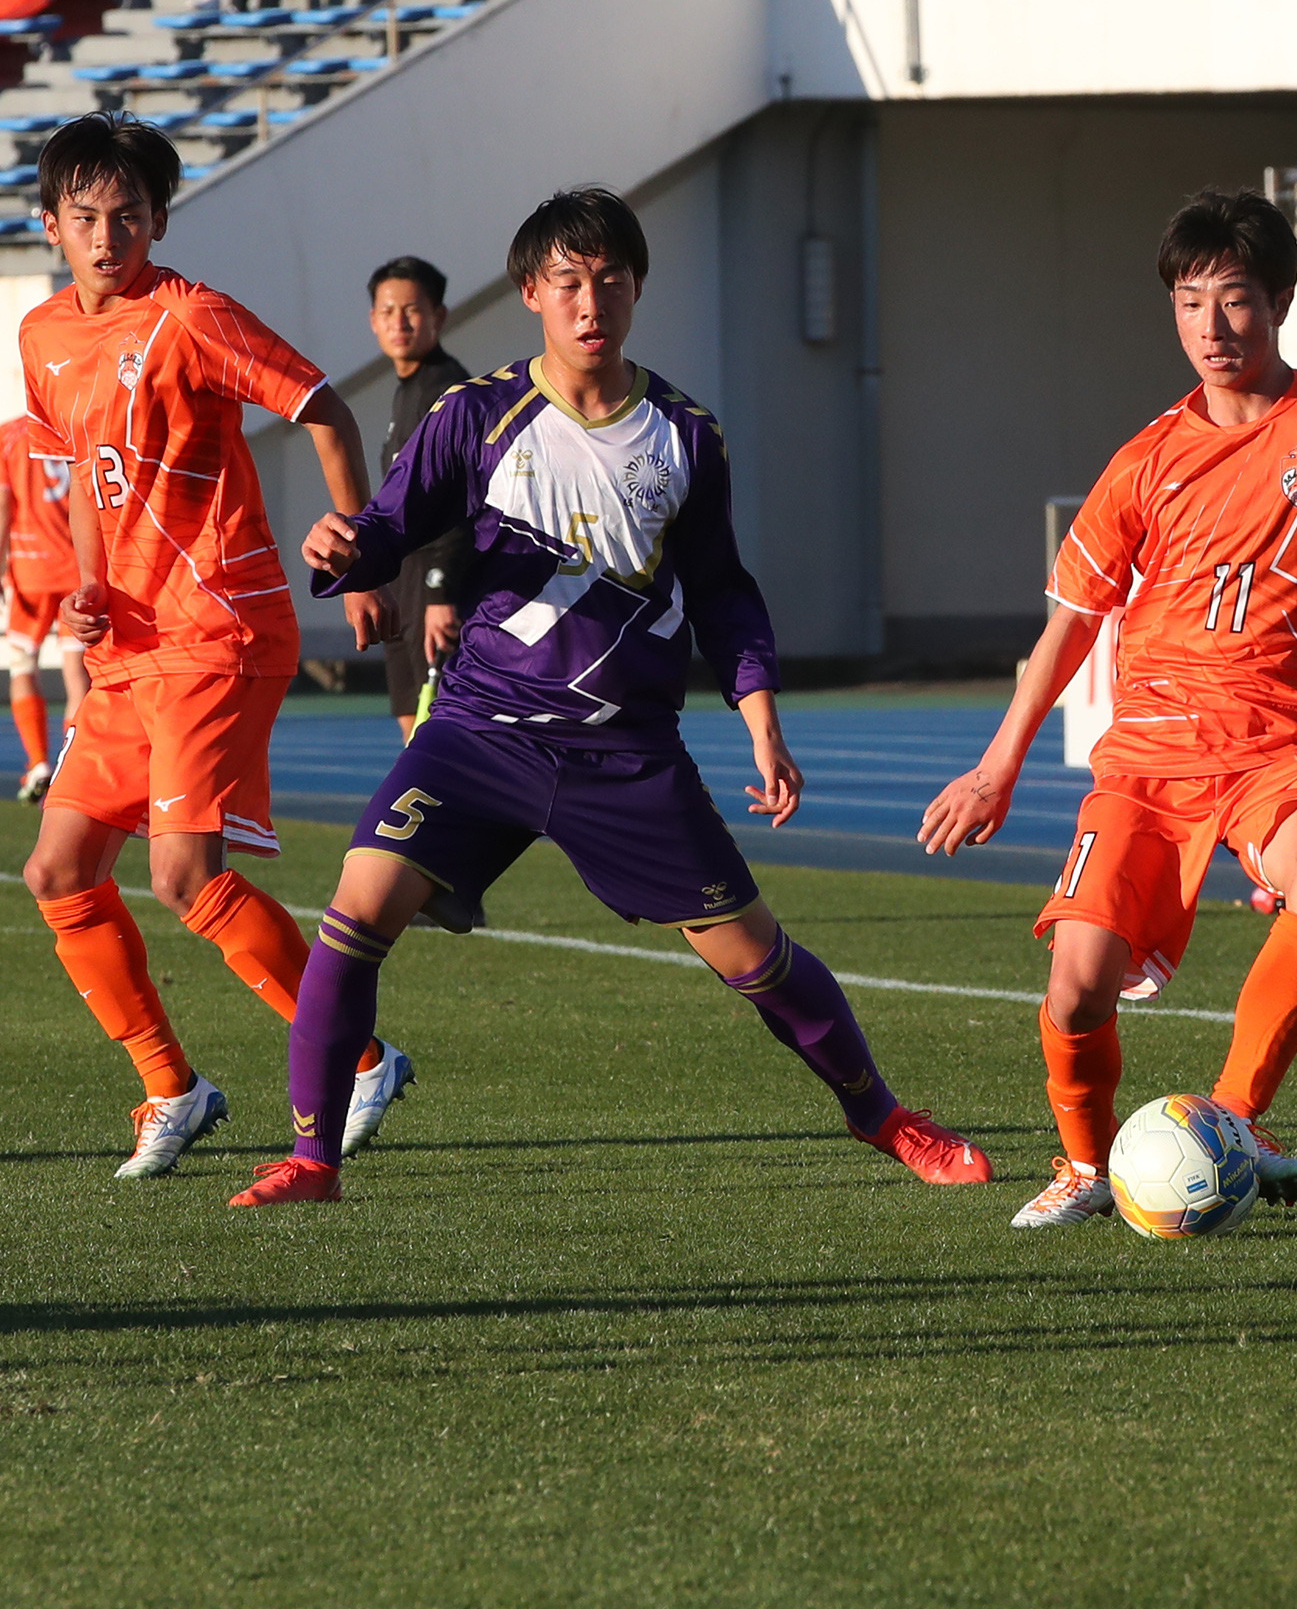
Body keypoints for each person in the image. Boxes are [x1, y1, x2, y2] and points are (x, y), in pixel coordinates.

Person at [234, 187, 993, 1206]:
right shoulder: (476, 415)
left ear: (636, 289)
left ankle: (883, 1117)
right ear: (531, 294)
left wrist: (760, 713)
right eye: (568, 283)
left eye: (610, 281)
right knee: (354, 912)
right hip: (477, 731)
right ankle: (314, 1161)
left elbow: (723, 590)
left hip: (624, 752)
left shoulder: (686, 436)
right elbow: (389, 522)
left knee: (756, 961)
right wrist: (345, 549)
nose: (590, 302)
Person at [918, 188, 1297, 1231]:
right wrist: (996, 765)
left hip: (1286, 746)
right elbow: (1066, 627)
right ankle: (1084, 1166)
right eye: (1189, 303)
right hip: (1150, 757)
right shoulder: (1143, 462)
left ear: (1279, 300)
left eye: (1233, 300)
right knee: (1073, 994)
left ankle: (1234, 1121)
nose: (1211, 327)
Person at [18, 113, 413, 1179]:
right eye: (89, 217)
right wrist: (91, 593)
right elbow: (89, 476)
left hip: (218, 627)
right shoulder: (41, 338)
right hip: (130, 644)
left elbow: (325, 408)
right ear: (51, 224)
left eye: (131, 217)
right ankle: (171, 1090)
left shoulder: (191, 317)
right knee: (56, 871)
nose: (111, 236)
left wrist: (364, 548)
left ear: (158, 221)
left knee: (187, 875)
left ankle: (361, 1059)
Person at [366, 255, 469, 738]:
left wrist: (440, 592)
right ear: (374, 321)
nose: (399, 322)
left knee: (442, 741)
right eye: (388, 311)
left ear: (439, 316)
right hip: (403, 592)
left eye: (412, 310)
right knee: (413, 737)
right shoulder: (406, 390)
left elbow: (461, 498)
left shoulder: (449, 392)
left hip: (434, 596)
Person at [0, 412, 88, 801]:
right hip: (78, 569)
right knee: (76, 671)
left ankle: (38, 764)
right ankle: (73, 766)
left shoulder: (8, 436)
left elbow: (3, 506)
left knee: (22, 662)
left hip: (30, 568)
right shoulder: (76, 428)